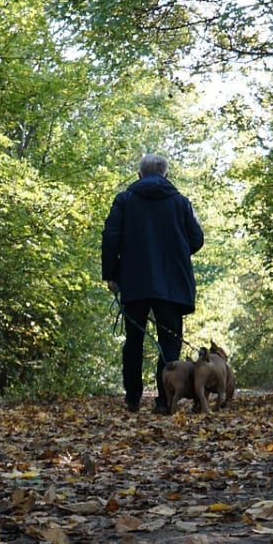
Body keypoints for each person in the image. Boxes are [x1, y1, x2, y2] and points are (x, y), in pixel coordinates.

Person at [102, 153, 204, 413]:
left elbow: (111, 236)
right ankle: (164, 401)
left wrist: (111, 274)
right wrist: (176, 253)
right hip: (172, 283)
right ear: (166, 174)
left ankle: (133, 398)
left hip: (134, 280)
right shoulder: (181, 203)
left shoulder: (125, 200)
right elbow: (196, 239)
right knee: (170, 342)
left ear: (139, 175)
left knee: (134, 339)